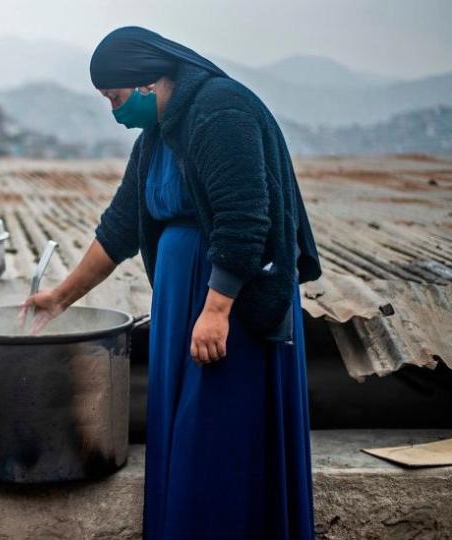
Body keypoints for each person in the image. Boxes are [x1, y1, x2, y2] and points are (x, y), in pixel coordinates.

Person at [21, 26, 322, 539]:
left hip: (232, 303)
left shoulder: (220, 110)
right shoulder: (159, 135)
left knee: (218, 438)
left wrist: (216, 310)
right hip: (186, 300)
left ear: (144, 82)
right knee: (187, 437)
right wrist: (59, 297)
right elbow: (119, 229)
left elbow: (246, 219)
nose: (115, 111)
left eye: (115, 98)